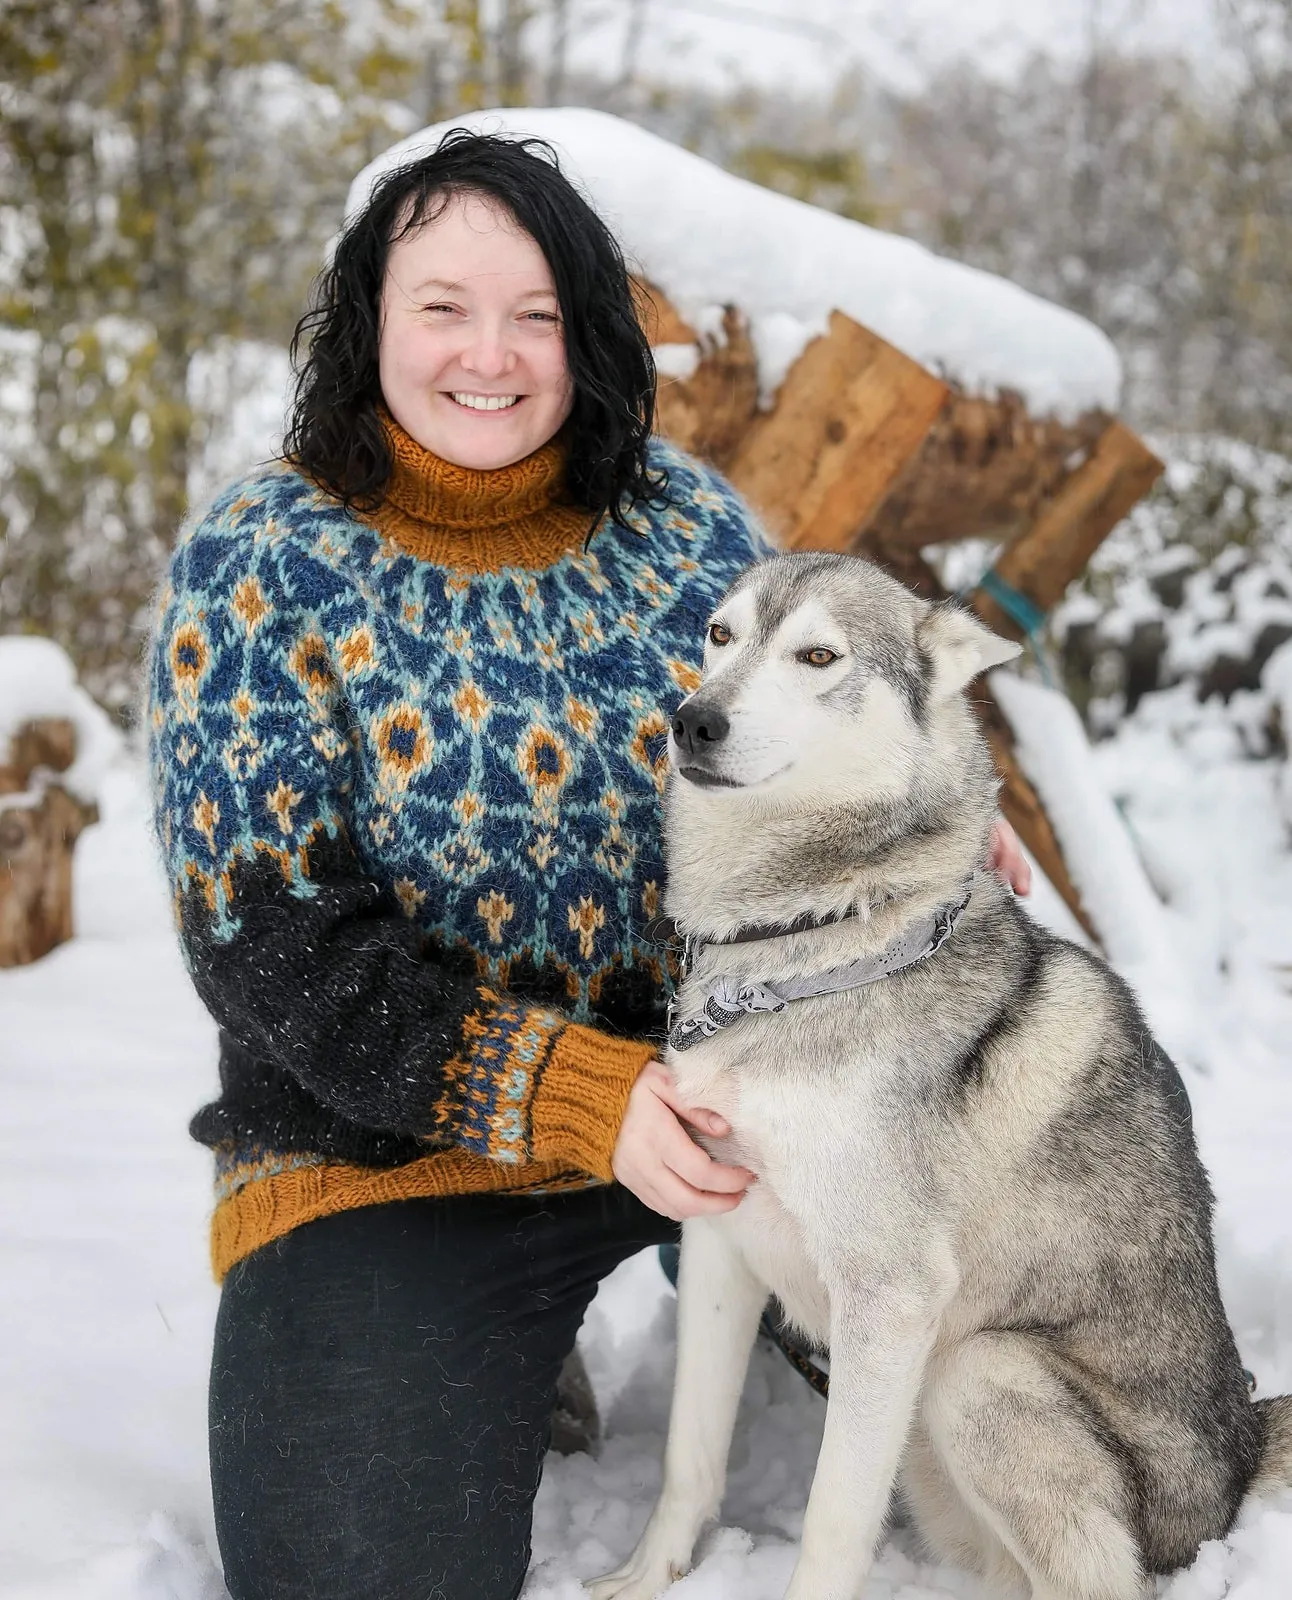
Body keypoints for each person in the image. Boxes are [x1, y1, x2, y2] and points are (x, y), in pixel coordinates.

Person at [146, 128, 1031, 1600]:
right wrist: (567, 1093)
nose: (489, 354)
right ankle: (501, 1349)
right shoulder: (262, 562)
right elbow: (270, 948)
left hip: (733, 1108)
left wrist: (920, 834)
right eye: (441, 306)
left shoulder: (683, 523)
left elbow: (815, 727)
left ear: (588, 332)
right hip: (396, 1161)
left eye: (537, 313)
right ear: (368, 321)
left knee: (1007, 1353)